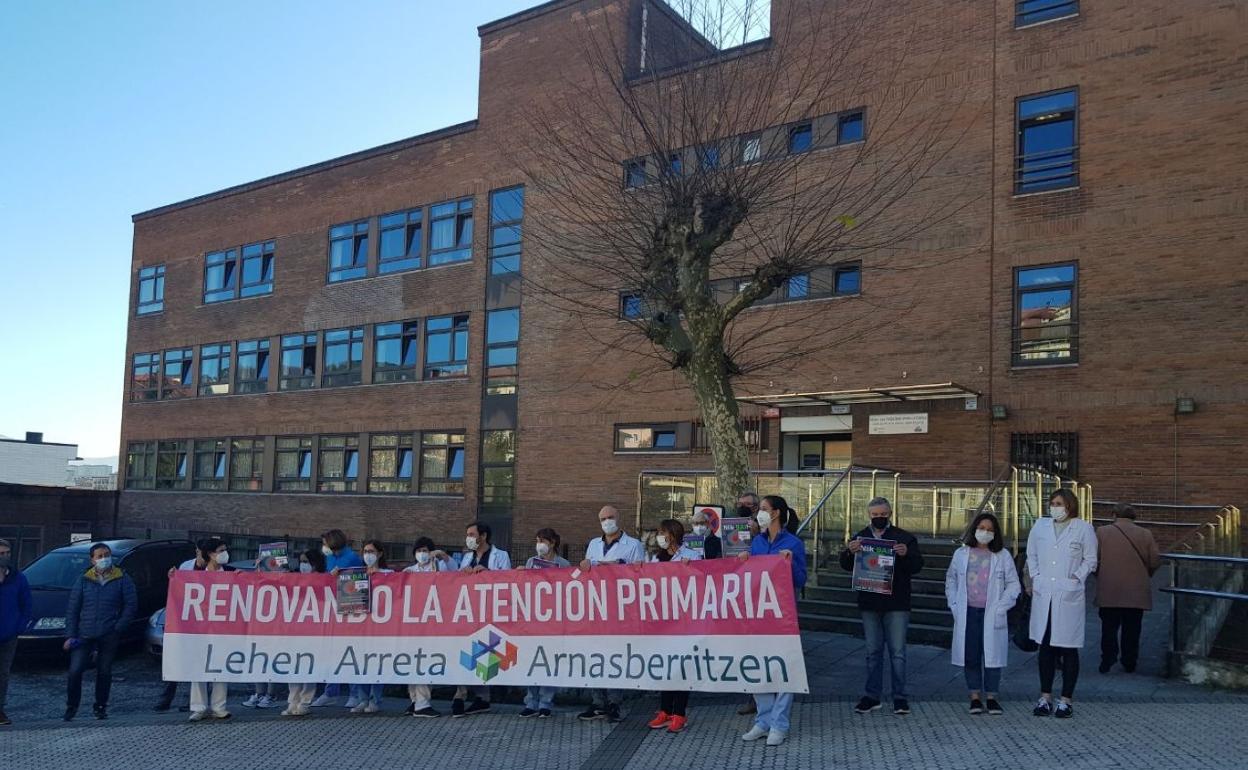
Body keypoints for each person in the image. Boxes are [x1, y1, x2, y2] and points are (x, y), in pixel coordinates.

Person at [839, 496, 924, 716]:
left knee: (898, 652)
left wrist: (906, 555)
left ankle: (900, 697)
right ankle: (872, 696)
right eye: (875, 515)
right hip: (870, 602)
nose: (879, 518)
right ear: (869, 515)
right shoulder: (860, 536)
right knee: (872, 651)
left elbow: (917, 565)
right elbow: (847, 566)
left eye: (883, 515)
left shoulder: (904, 537)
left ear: (890, 514)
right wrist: (850, 551)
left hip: (897, 603)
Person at [738, 495, 807, 746]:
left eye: (764, 509)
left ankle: (780, 723)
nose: (760, 514)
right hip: (758, 614)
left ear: (776, 513)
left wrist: (788, 563)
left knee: (783, 668)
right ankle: (763, 720)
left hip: (782, 615)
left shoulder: (794, 543)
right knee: (757, 667)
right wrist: (744, 563)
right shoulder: (756, 542)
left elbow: (800, 580)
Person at [1027, 488, 1098, 718]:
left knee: (1068, 647)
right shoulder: (1040, 526)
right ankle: (1045, 697)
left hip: (1068, 593)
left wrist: (1076, 578)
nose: (1054, 507)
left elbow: (1091, 560)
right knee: (1045, 646)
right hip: (1044, 591)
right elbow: (1032, 555)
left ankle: (1066, 700)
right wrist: (1036, 577)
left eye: (1059, 503)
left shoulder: (1084, 529)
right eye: (1052, 503)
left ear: (1070, 505)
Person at [945, 513, 1021, 715]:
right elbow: (951, 580)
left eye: (989, 529)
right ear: (974, 529)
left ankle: (992, 697)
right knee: (971, 655)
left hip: (992, 612)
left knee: (992, 656)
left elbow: (1013, 584)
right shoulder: (961, 554)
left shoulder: (1002, 555)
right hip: (967, 611)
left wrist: (1002, 606)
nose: (984, 532)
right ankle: (975, 697)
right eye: (981, 528)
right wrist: (953, 603)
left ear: (995, 533)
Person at [578, 505, 645, 722]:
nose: (607, 521)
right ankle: (597, 702)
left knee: (615, 657)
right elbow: (588, 574)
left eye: (610, 517)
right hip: (596, 606)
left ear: (619, 518)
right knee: (595, 656)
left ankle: (614, 703)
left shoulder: (633, 545)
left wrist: (620, 566)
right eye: (603, 518)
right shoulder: (593, 545)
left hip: (620, 608)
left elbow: (639, 573)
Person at [64, 542, 137, 721]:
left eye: (107, 554)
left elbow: (131, 604)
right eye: (100, 556)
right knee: (75, 671)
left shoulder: (122, 578)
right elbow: (73, 608)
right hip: (84, 633)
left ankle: (101, 706)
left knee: (104, 671)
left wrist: (119, 627)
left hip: (109, 632)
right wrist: (70, 635)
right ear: (92, 559)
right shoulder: (83, 579)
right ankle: (71, 707)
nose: (104, 558)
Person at [646, 519, 702, 734]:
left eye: (662, 532)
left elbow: (703, 582)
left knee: (682, 667)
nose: (659, 536)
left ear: (673, 534)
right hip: (662, 619)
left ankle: (679, 713)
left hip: (684, 620)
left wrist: (691, 570)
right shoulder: (656, 558)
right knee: (665, 666)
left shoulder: (692, 556)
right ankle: (665, 710)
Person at [453, 522, 511, 717]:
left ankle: (482, 697)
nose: (468, 537)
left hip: (490, 612)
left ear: (483, 536)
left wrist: (487, 575)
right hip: (469, 611)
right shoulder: (467, 557)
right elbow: (456, 582)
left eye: (472, 534)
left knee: (485, 653)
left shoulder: (500, 556)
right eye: (467, 533)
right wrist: (465, 574)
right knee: (465, 652)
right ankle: (460, 694)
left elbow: (508, 581)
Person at [1095, 503, 1162, 674]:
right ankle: (1129, 661)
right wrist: (1146, 573)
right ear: (1134, 516)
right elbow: (1154, 560)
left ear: (1114, 515)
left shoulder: (1102, 532)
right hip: (1136, 590)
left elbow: (1094, 559)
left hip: (1109, 588)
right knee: (1132, 628)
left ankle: (1107, 658)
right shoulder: (1145, 534)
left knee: (1109, 627)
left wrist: (1100, 575)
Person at [519, 528, 571, 719]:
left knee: (549, 661)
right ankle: (530, 701)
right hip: (534, 618)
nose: (539, 543)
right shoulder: (531, 562)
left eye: (543, 540)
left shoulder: (563, 564)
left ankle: (545, 702)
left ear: (553, 542)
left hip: (553, 619)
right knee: (532, 661)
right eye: (537, 540)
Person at [311, 529, 364, 708]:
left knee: (350, 652)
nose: (323, 547)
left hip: (350, 608)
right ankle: (330, 692)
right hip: (332, 608)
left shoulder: (352, 558)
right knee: (332, 653)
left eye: (325, 543)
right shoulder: (330, 558)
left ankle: (354, 693)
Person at [189, 538, 236, 722]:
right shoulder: (195, 575)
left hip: (224, 629)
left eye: (225, 549)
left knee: (220, 667)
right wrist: (173, 577)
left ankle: (219, 707)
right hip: (200, 629)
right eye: (221, 550)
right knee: (198, 668)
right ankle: (198, 707)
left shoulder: (233, 573)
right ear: (210, 554)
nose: (225, 553)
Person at [402, 537, 449, 718]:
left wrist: (440, 556)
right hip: (412, 622)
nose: (422, 554)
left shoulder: (439, 566)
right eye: (418, 550)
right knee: (413, 660)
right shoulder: (408, 571)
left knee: (425, 660)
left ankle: (422, 701)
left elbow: (452, 574)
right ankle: (416, 701)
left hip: (431, 621)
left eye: (425, 550)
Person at [349, 540, 393, 714]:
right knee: (361, 662)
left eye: (371, 551)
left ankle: (376, 699)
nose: (367, 555)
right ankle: (362, 699)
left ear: (380, 554)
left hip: (381, 625)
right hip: (361, 625)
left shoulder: (389, 574)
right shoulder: (356, 574)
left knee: (377, 662)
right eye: (365, 551)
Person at [282, 547, 327, 717]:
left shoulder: (325, 580)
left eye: (307, 562)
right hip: (294, 629)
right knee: (293, 667)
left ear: (315, 563)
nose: (303, 566)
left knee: (309, 667)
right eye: (301, 562)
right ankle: (292, 702)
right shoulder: (293, 579)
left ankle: (305, 702)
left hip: (314, 630)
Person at [0, 538, 33, 726]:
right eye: (1, 553)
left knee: (3, 675)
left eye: (7, 553)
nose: (4, 557)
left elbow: (26, 605)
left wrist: (18, 628)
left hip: (8, 636)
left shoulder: (18, 578)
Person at [735, 492, 761, 716]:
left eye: (748, 505)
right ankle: (751, 697)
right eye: (740, 505)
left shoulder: (762, 530)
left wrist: (756, 533)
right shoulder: (730, 525)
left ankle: (762, 698)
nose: (743, 508)